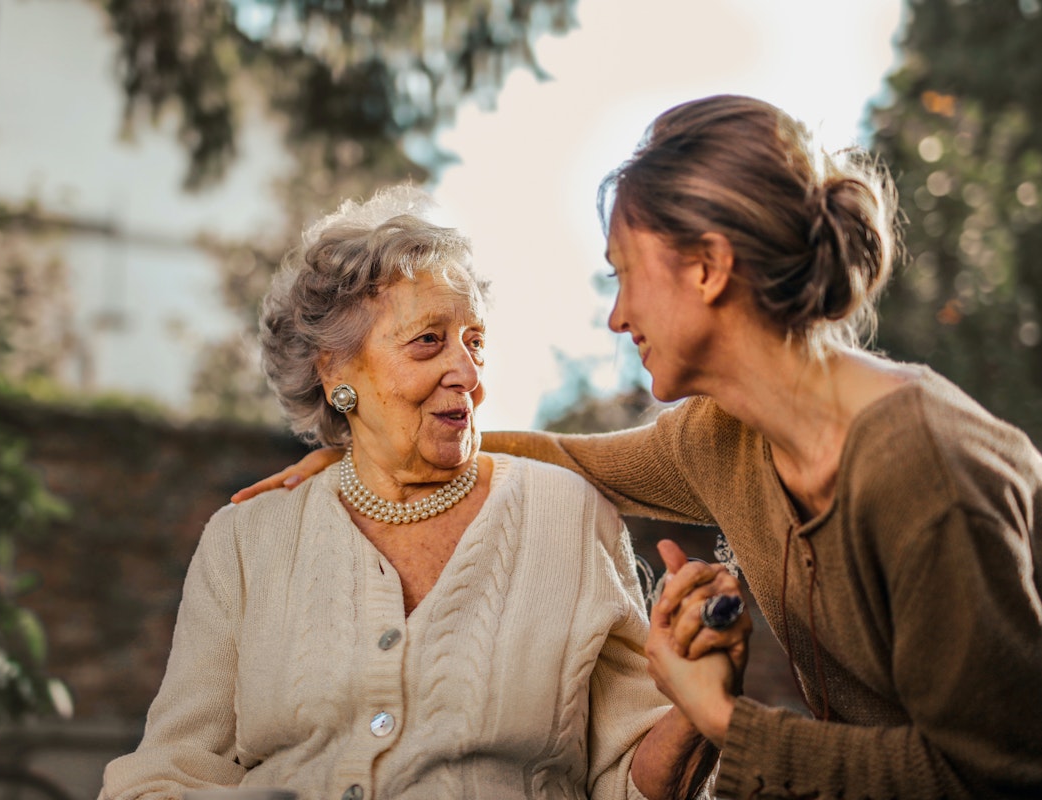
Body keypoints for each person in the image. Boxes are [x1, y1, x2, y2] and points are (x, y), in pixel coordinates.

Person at [232, 96, 1042, 798]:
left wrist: (720, 716)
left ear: (708, 268)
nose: (616, 318)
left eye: (623, 274)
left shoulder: (921, 468)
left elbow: (992, 774)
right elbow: (568, 458)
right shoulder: (723, 437)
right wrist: (371, 453)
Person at [100, 186, 747, 800]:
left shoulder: (568, 517)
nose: (465, 374)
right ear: (335, 371)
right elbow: (166, 773)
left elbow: (631, 784)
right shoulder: (246, 540)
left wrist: (696, 707)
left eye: (475, 343)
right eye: (428, 342)